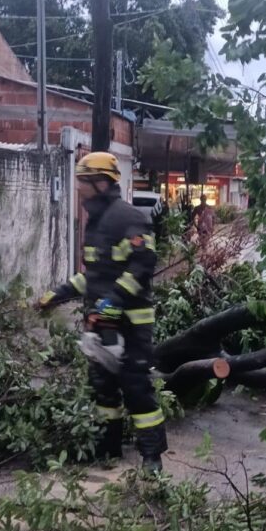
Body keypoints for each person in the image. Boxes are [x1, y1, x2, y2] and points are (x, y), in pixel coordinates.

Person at [35, 151, 167, 473]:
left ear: (100, 182)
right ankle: (108, 449)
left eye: (83, 183)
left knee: (135, 385)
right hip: (103, 320)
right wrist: (59, 294)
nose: (78, 189)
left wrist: (114, 300)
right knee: (103, 385)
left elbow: (143, 265)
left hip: (132, 321)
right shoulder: (96, 223)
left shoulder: (128, 218)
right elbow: (94, 275)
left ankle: (152, 459)